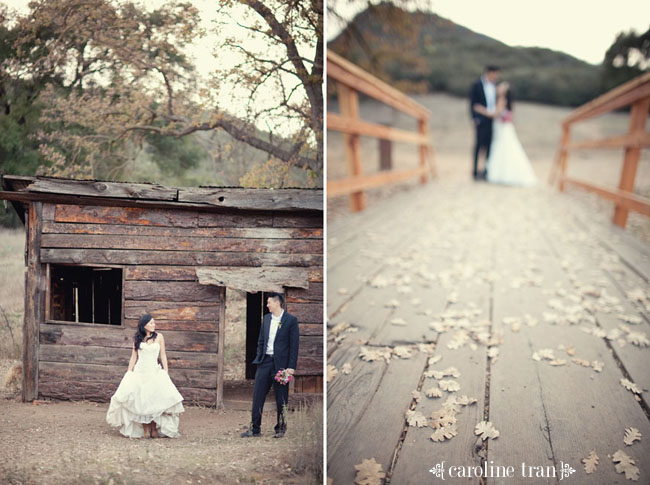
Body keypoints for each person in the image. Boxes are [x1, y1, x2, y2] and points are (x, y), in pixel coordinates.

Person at [106, 314, 184, 438]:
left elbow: (163, 355)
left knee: (154, 400)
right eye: (151, 323)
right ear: (144, 325)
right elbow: (134, 356)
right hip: (140, 372)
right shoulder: (137, 338)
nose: (154, 325)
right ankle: (145, 429)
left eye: (154, 323)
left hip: (154, 371)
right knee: (140, 401)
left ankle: (154, 428)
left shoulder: (159, 337)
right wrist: (129, 372)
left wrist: (166, 371)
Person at [241, 293, 299, 438]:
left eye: (269, 303)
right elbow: (261, 340)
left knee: (281, 398)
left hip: (282, 365)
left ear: (277, 303)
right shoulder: (266, 319)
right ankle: (255, 429)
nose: (267, 305)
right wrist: (259, 358)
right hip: (265, 362)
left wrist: (291, 367)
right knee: (258, 395)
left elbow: (294, 346)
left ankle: (281, 428)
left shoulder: (291, 320)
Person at [486, 82, 537, 187]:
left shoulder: (501, 100)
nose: (498, 88)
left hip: (502, 128)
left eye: (501, 87)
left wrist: (481, 109)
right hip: (505, 128)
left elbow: (495, 114)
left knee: (503, 149)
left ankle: (502, 174)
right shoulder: (507, 102)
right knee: (507, 149)